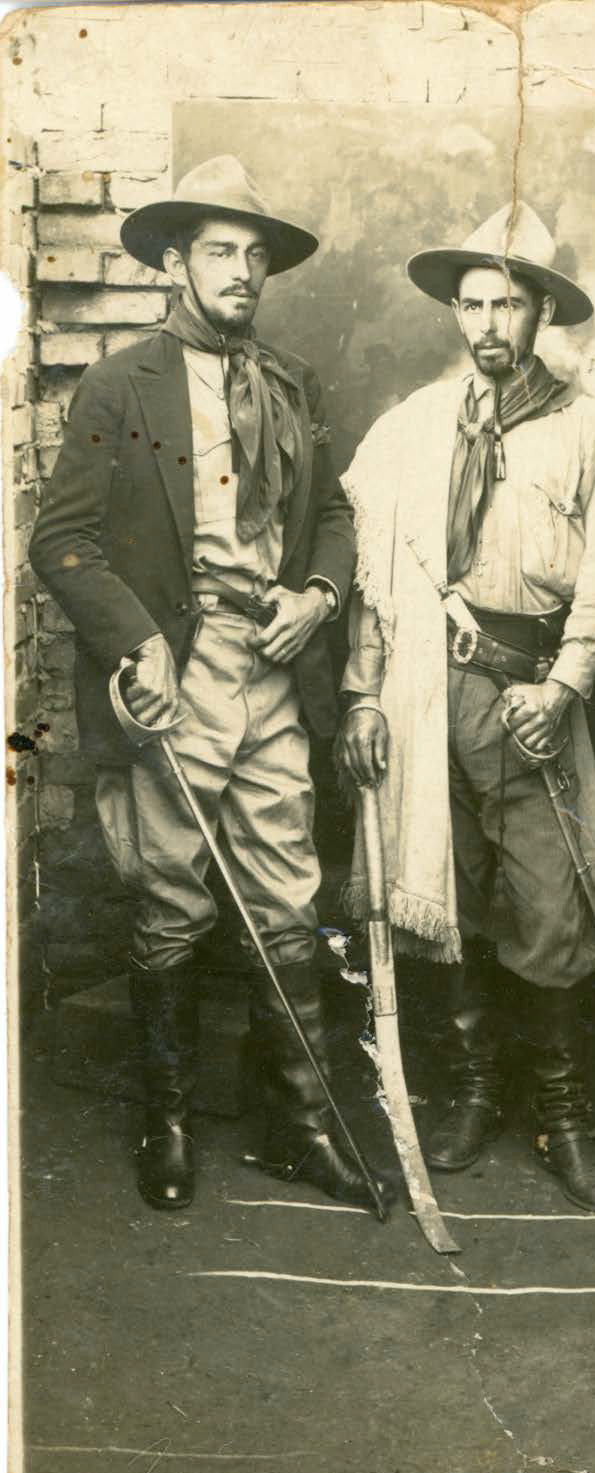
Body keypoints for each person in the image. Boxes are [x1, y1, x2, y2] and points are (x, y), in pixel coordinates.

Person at [30, 155, 386, 1214]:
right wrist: (137, 644)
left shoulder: (293, 383)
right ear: (176, 264)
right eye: (220, 252)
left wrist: (318, 595)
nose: (241, 272)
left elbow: (332, 513)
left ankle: (299, 1126)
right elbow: (64, 540)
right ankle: (168, 1122)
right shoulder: (121, 383)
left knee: (289, 898)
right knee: (172, 898)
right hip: (177, 674)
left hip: (272, 668)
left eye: (255, 256)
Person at [337, 202, 595, 1212]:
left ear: (541, 311)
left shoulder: (589, 427)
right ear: (454, 313)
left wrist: (564, 688)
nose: (489, 325)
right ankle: (475, 1090)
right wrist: (363, 693)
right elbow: (376, 576)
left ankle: (561, 1115)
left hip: (530, 694)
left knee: (548, 910)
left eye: (508, 304)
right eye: (473, 305)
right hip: (428, 688)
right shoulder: (416, 426)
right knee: (452, 897)